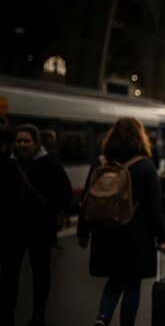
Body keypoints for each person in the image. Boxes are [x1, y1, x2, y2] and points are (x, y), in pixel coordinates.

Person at [77, 117, 165, 326]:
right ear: (140, 136)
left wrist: (83, 232)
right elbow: (155, 207)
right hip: (135, 235)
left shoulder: (99, 163)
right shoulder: (145, 166)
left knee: (114, 279)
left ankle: (102, 317)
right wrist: (164, 238)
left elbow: (86, 201)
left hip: (104, 233)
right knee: (132, 283)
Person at [0, 123, 73, 326]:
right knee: (8, 275)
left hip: (40, 230)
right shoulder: (7, 165)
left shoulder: (50, 164)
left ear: (35, 143)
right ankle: (7, 315)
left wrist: (49, 215)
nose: (22, 144)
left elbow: (65, 193)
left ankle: (39, 312)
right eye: (19, 141)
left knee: (40, 272)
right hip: (11, 230)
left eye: (27, 141)